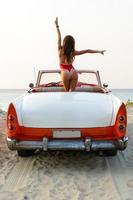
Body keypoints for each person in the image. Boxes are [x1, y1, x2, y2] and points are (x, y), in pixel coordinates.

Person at [54, 17, 106, 92]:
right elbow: (87, 51)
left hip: (64, 72)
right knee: (71, 92)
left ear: (64, 42)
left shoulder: (60, 49)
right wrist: (98, 51)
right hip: (73, 71)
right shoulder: (73, 52)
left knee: (67, 92)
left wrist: (57, 26)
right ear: (72, 43)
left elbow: (59, 37)